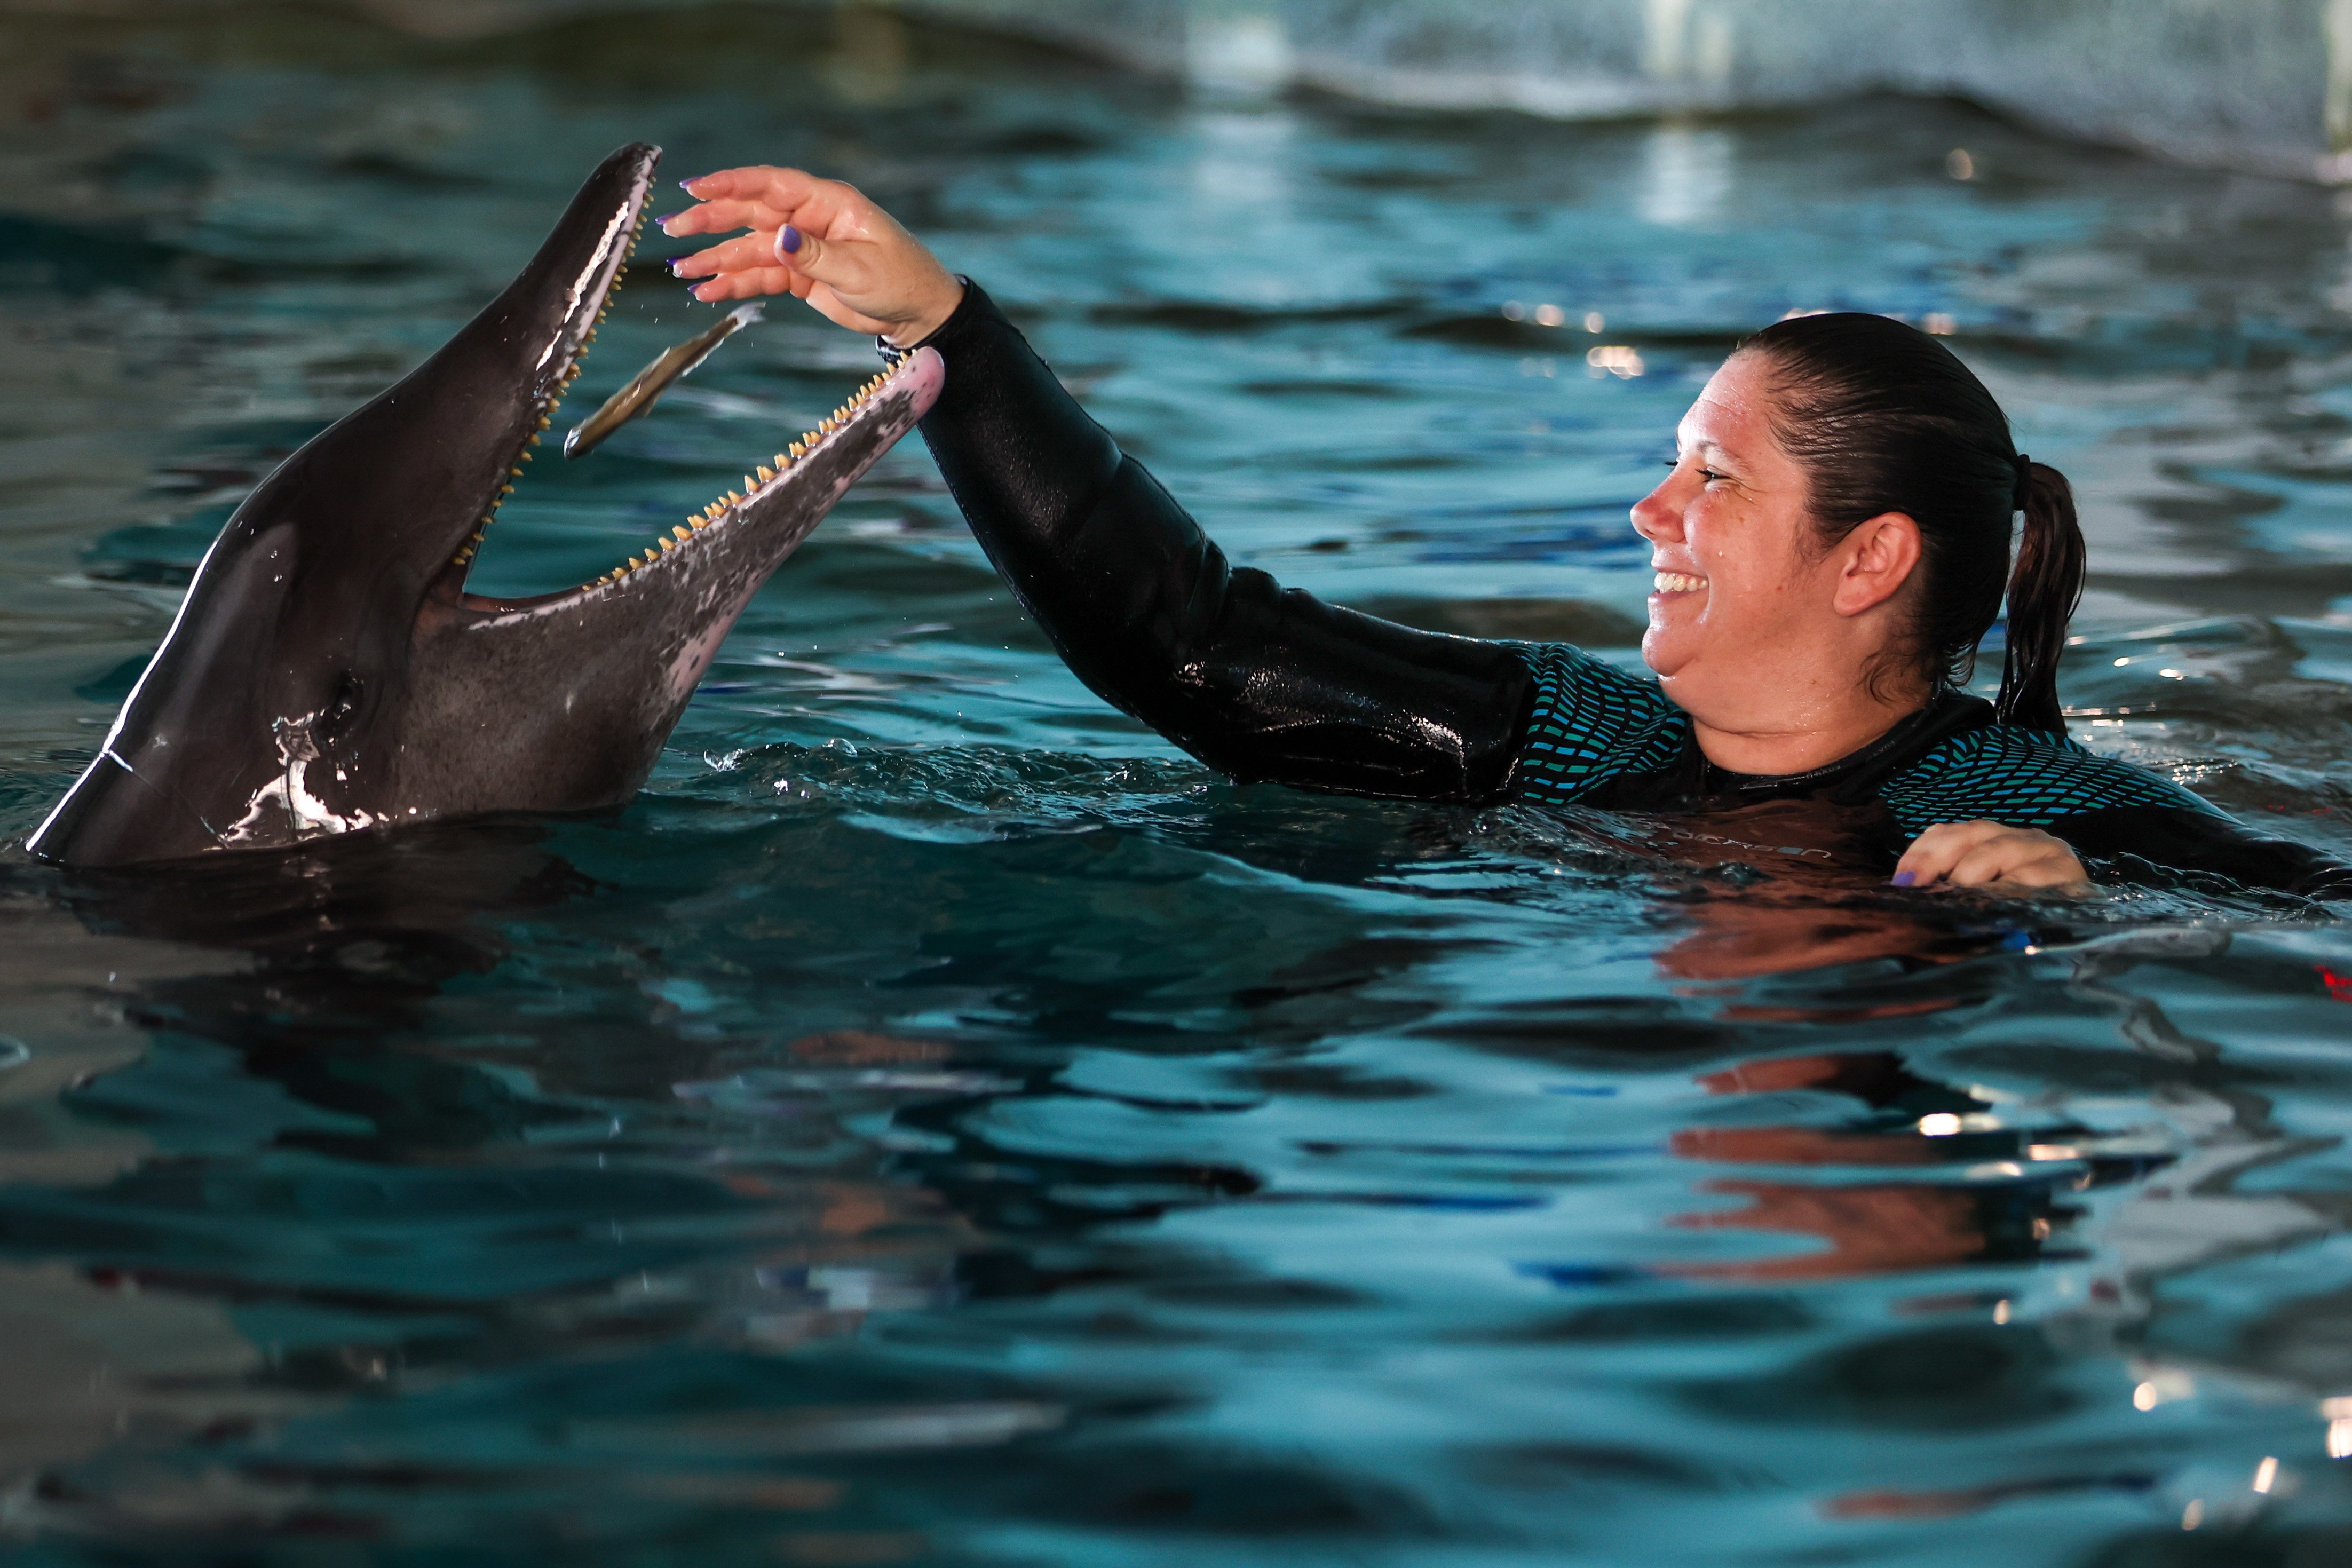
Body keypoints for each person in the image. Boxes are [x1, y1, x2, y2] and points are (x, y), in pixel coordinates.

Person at [659, 166, 2348, 901]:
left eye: (1715, 478)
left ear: (1869, 559)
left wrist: (2097, 920)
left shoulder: (2061, 819)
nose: (1649, 509)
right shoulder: (1563, 730)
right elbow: (1187, 641)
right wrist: (942, 327)